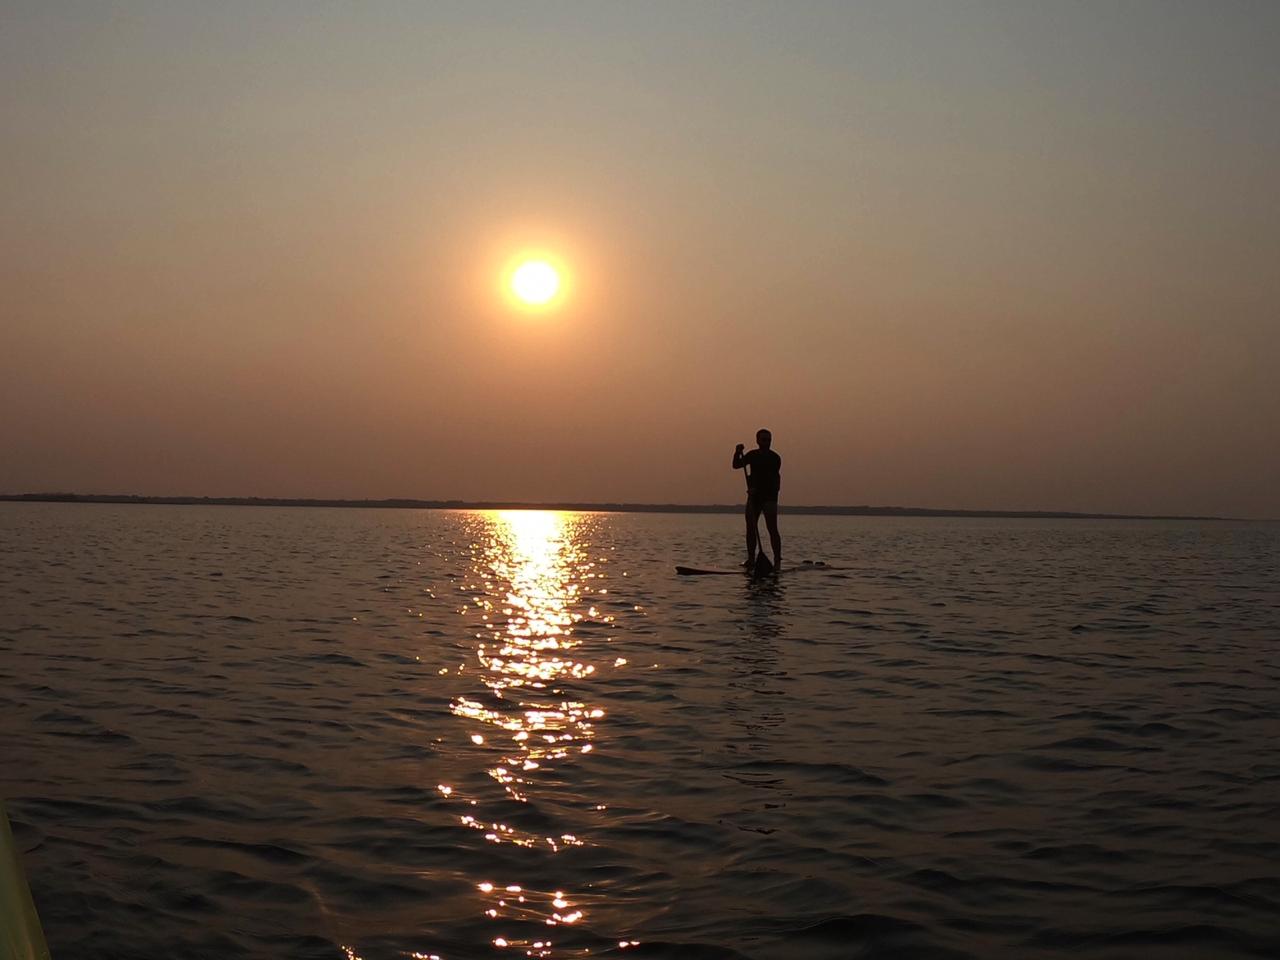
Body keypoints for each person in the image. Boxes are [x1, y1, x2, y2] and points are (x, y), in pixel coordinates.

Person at [732, 429, 782, 570]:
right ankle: (751, 559)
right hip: (754, 498)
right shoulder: (752, 455)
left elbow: (773, 479)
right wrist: (737, 452)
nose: (767, 442)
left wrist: (757, 489)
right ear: (758, 441)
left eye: (769, 439)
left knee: (772, 528)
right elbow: (736, 465)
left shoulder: (775, 458)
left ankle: (777, 560)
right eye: (764, 439)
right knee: (751, 528)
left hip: (769, 497)